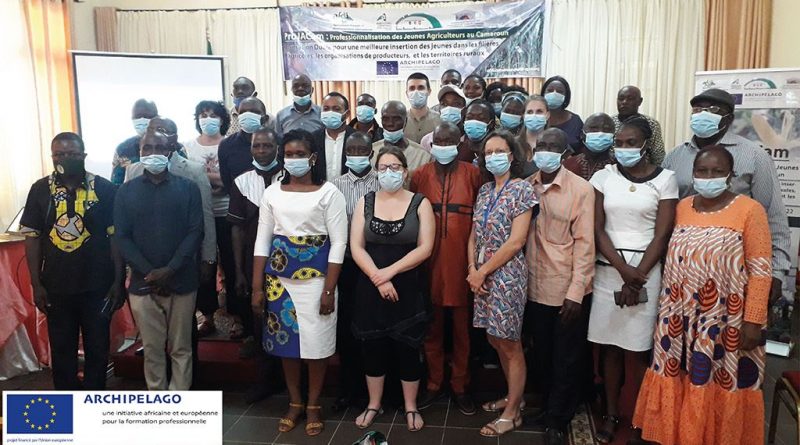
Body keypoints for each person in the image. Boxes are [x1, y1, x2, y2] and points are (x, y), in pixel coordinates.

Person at [633, 146, 771, 445]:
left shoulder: (750, 210)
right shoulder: (682, 207)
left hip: (724, 319)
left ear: (730, 175)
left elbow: (761, 270)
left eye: (717, 171)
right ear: (693, 173)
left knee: (715, 379)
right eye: (702, 171)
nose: (709, 177)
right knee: (677, 375)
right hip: (677, 315)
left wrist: (753, 322)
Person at [251, 130, 347, 436]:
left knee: (317, 345)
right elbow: (262, 241)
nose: (294, 159)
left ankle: (314, 404)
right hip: (279, 280)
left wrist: (329, 289)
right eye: (289, 154)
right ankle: (295, 402)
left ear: (313, 157)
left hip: (317, 281)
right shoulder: (272, 193)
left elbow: (339, 243)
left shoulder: (329, 193)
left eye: (300, 154)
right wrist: (257, 287)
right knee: (287, 344)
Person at [588, 119, 678, 443]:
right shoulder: (603, 177)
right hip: (609, 269)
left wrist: (636, 276)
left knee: (638, 350)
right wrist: (623, 270)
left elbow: (662, 234)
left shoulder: (666, 179)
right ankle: (612, 414)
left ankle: (639, 418)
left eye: (631, 142)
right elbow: (597, 229)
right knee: (611, 349)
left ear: (646, 144)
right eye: (620, 142)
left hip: (647, 272)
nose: (624, 148)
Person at [663, 88, 790, 312]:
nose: (703, 114)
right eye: (698, 109)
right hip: (682, 268)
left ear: (729, 119)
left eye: (713, 109)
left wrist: (777, 272)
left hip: (732, 267)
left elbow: (773, 215)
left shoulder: (754, 156)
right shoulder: (675, 156)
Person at [20, 132, 124, 390]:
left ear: (83, 155)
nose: (65, 158)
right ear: (52, 157)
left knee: (97, 349)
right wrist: (36, 284)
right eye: (59, 154)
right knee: (62, 350)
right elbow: (32, 238)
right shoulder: (40, 190)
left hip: (97, 285)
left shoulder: (105, 189)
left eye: (72, 154)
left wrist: (118, 281)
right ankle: (68, 403)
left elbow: (116, 238)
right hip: (56, 286)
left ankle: (94, 402)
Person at [350, 146, 435, 432]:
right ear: (376, 172)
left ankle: (411, 406)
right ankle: (374, 403)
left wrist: (390, 272)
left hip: (408, 286)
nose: (389, 172)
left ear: (405, 171)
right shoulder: (365, 201)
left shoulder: (420, 203)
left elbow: (425, 248)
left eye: (395, 167)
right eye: (383, 167)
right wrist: (379, 278)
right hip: (371, 286)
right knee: (372, 348)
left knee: (408, 348)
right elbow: (356, 247)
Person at [115, 130, 204, 390]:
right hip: (143, 284)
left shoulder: (188, 188)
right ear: (140, 152)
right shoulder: (126, 191)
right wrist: (150, 273)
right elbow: (122, 237)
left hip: (182, 281)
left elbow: (195, 232)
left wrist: (170, 269)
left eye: (159, 148)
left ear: (169, 151)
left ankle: (179, 401)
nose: (153, 153)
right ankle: (159, 402)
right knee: (152, 349)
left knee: (181, 348)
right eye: (147, 148)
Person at [525, 128, 595, 445]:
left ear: (565, 153)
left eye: (553, 147)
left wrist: (576, 293)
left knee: (566, 357)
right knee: (541, 353)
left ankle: (558, 419)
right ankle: (546, 407)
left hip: (564, 287)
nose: (546, 151)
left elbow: (585, 244)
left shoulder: (581, 190)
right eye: (542, 145)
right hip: (532, 286)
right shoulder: (526, 186)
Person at [467, 130, 535, 437]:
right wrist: (472, 268)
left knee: (509, 343)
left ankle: (512, 414)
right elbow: (473, 235)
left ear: (512, 155)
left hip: (507, 275)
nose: (493, 156)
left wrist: (482, 272)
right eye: (488, 152)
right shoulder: (484, 190)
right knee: (494, 339)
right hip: (481, 274)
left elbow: (516, 241)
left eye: (499, 151)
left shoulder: (522, 189)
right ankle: (513, 397)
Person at [411, 122, 482, 415]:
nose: (443, 145)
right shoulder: (420, 175)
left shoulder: (473, 174)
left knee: (463, 331)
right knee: (432, 328)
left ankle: (460, 385)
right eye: (438, 141)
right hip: (428, 264)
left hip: (464, 264)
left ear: (459, 142)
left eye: (448, 140)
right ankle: (433, 382)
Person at [126, 118, 218, 340]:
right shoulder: (134, 171)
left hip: (184, 259)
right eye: (152, 131)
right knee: (153, 328)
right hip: (146, 261)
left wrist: (208, 258)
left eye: (162, 131)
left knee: (184, 328)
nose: (156, 135)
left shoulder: (193, 170)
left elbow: (206, 216)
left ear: (173, 140)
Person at [228, 126, 285, 403]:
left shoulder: (291, 177)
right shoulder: (242, 181)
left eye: (267, 146)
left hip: (290, 262)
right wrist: (239, 271)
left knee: (288, 319)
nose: (261, 150)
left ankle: (290, 379)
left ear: (277, 148)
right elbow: (237, 230)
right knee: (260, 320)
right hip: (256, 265)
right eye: (256, 146)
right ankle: (265, 380)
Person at [330, 132, 380, 411]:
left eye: (362, 150)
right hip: (347, 265)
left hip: (378, 265)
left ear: (371, 154)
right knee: (347, 327)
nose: (357, 154)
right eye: (352, 150)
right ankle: (349, 388)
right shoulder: (334, 186)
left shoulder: (382, 182)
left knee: (375, 326)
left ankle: (378, 390)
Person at [183, 100, 231, 336]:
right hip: (200, 214)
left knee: (232, 265)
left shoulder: (229, 144)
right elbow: (188, 179)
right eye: (203, 115)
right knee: (205, 267)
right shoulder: (188, 147)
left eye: (213, 115)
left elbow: (233, 179)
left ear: (222, 119)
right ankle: (208, 317)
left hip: (228, 212)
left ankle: (235, 315)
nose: (208, 119)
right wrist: (216, 179)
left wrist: (203, 177)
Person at [219, 97, 273, 191]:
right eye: (243, 112)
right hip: (240, 198)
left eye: (254, 112)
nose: (248, 116)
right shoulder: (226, 145)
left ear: (265, 119)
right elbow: (227, 181)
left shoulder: (278, 143)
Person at [372, 101, 432, 178]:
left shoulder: (422, 155)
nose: (390, 123)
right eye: (386, 119)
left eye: (396, 119)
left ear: (405, 121)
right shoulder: (371, 152)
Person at [612, 85, 665, 164]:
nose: (624, 102)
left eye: (630, 99)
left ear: (640, 101)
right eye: (621, 98)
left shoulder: (651, 124)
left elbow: (658, 156)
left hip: (643, 169)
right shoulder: (609, 124)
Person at [111, 99, 157, 185]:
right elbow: (116, 184)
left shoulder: (174, 147)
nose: (142, 120)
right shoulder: (123, 149)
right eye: (137, 117)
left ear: (156, 118)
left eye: (147, 116)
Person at [313, 92, 355, 181]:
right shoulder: (313, 139)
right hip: (321, 188)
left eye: (336, 109)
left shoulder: (357, 138)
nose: (330, 112)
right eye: (326, 109)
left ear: (347, 114)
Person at [563, 113, 616, 181]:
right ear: (582, 134)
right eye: (594, 129)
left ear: (613, 136)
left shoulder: (619, 167)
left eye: (606, 130)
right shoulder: (568, 165)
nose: (600, 134)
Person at [540, 76, 583, 152]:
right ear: (543, 94)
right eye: (550, 90)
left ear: (566, 96)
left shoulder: (575, 121)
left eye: (559, 91)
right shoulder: (535, 119)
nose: (554, 93)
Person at [420, 85, 467, 151]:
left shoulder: (469, 140)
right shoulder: (427, 141)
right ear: (439, 109)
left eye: (456, 104)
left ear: (464, 109)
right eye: (444, 104)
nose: (449, 108)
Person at [275, 74, 323, 138]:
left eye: (305, 86)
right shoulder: (281, 115)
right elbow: (279, 140)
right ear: (292, 90)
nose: (300, 88)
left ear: (312, 90)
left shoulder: (322, 113)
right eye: (296, 86)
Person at [517, 95, 549, 177]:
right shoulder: (513, 144)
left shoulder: (557, 143)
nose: (534, 115)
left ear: (547, 115)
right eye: (530, 112)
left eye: (539, 111)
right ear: (524, 116)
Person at [405, 73, 441, 144]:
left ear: (429, 91)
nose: (416, 92)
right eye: (412, 88)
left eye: (421, 88)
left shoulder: (439, 120)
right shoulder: (400, 120)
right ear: (407, 93)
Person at [462, 99, 498, 165]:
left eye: (481, 119)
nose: (474, 122)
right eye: (469, 117)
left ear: (491, 124)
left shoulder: (497, 149)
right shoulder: (458, 147)